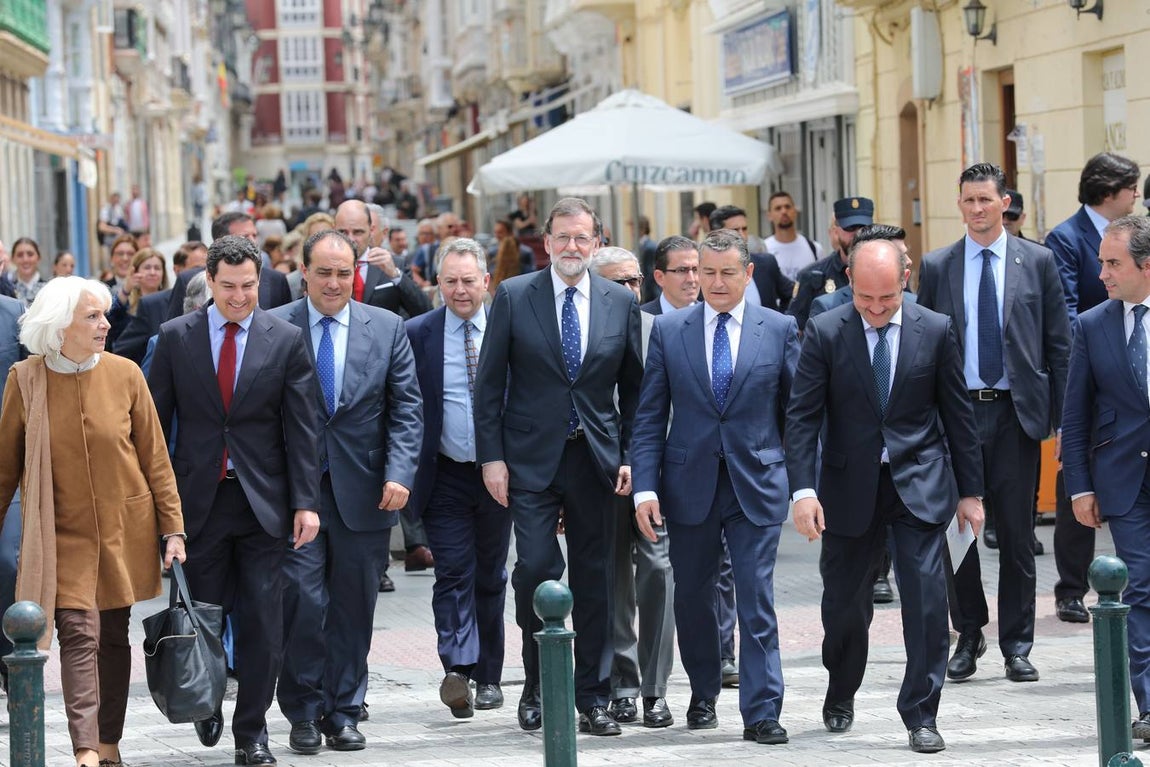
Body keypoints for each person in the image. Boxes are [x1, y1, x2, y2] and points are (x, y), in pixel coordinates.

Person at [786, 239, 984, 753]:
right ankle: (841, 688)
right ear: (850, 281)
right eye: (865, 298)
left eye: (888, 299)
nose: (875, 310)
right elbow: (802, 417)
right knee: (844, 608)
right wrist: (803, 491)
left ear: (906, 280)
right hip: (847, 488)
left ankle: (921, 714)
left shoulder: (935, 329)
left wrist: (971, 493)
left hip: (919, 484)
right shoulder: (826, 331)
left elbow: (958, 416)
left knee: (926, 602)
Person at [147, 235, 322, 766]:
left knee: (265, 624)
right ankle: (205, 699)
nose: (239, 296)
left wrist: (306, 502)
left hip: (262, 506)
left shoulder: (285, 339)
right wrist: (161, 513)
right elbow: (154, 429)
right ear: (209, 281)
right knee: (203, 617)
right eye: (228, 286)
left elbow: (303, 427)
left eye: (248, 286)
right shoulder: (176, 337)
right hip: (198, 504)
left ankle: (252, 733)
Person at [474, 197, 643, 736]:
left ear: (596, 242)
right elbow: (488, 386)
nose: (573, 246)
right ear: (546, 242)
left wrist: (631, 456)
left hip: (596, 459)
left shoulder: (620, 301)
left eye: (582, 237)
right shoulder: (514, 295)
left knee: (596, 579)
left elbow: (635, 391)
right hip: (529, 461)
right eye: (563, 237)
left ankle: (593, 697)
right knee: (536, 570)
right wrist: (492, 458)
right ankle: (539, 687)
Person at [0, 276, 185, 767]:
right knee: (79, 634)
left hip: (123, 530)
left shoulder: (126, 374)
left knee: (113, 639)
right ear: (60, 326)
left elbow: (156, 458)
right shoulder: (25, 379)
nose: (105, 324)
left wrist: (173, 529)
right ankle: (85, 749)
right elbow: (4, 470)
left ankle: (108, 743)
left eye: (104, 315)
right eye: (92, 316)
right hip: (60, 535)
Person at [631, 228, 798, 744]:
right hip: (688, 485)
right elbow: (649, 415)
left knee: (755, 597)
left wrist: (805, 487)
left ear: (748, 273)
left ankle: (762, 710)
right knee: (693, 599)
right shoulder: (670, 330)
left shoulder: (779, 328)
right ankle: (703, 693)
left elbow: (797, 416)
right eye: (707, 272)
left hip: (756, 484)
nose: (716, 282)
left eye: (728, 272)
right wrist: (645, 487)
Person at [917, 162, 1071, 685]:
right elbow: (922, 347)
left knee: (1016, 534)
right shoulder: (939, 265)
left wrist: (1062, 423)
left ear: (1004, 202)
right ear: (959, 204)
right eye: (969, 200)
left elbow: (1058, 345)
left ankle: (1017, 645)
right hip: (956, 415)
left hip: (1015, 414)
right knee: (959, 532)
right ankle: (969, 633)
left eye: (986, 199)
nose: (978, 209)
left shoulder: (1039, 261)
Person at [272, 230, 422, 753]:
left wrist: (399, 472)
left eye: (343, 273)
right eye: (324, 272)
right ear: (304, 272)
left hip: (367, 492)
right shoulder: (276, 326)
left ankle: (343, 711)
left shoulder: (387, 327)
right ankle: (303, 711)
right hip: (297, 495)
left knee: (354, 608)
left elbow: (407, 407)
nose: (334, 283)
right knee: (301, 601)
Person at [405, 238, 512, 719]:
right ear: (437, 284)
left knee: (490, 575)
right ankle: (459, 669)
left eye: (469, 281)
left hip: (498, 475)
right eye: (450, 281)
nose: (460, 290)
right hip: (443, 473)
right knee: (452, 571)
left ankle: (489, 676)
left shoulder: (509, 330)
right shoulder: (418, 333)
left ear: (486, 282)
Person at [1061, 214, 1150, 743]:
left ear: (1147, 265)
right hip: (1123, 481)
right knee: (1140, 585)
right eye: (1101, 262)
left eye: (1113, 263)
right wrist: (1080, 486)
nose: (1103, 274)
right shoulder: (1092, 325)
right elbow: (1075, 414)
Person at [1047, 152, 1142, 625]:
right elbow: (1064, 312)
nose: (1137, 194)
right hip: (1093, 379)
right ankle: (1070, 587)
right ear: (1108, 190)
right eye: (1131, 186)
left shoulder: (1135, 236)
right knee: (1076, 483)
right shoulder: (1066, 238)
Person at [590, 246, 676, 729]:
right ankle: (622, 684)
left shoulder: (661, 330)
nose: (629, 290)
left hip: (654, 477)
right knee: (613, 580)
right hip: (600, 474)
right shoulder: (583, 331)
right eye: (616, 282)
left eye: (634, 281)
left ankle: (655, 689)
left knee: (658, 572)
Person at [166, 213, 292, 321]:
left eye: (254, 235)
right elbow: (177, 328)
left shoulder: (276, 280)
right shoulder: (188, 280)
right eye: (245, 237)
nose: (253, 242)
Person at [334, 200, 432, 321]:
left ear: (371, 231)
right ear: (334, 230)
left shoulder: (395, 265)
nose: (351, 239)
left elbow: (425, 311)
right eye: (343, 232)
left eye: (358, 232)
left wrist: (396, 276)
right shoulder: (323, 266)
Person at [789, 197, 875, 331]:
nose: (857, 234)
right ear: (836, 231)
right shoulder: (813, 275)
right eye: (850, 228)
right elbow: (796, 329)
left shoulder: (887, 271)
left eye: (863, 228)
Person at [708, 205, 793, 311]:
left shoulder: (766, 264)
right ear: (716, 235)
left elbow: (792, 295)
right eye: (735, 230)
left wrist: (781, 319)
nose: (742, 235)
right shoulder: (701, 272)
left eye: (744, 229)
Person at [764, 191, 825, 280]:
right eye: (778, 208)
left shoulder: (815, 249)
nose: (784, 211)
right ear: (769, 215)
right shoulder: (764, 250)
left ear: (795, 211)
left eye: (787, 207)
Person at [644, 236, 699, 316]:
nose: (691, 279)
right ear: (660, 277)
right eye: (682, 270)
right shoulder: (642, 319)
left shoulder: (713, 317)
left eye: (695, 269)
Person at [9, 237, 50, 308]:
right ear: (12, 259)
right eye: (20, 255)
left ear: (38, 257)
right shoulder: (6, 291)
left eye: (30, 254)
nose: (25, 260)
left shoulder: (49, 289)